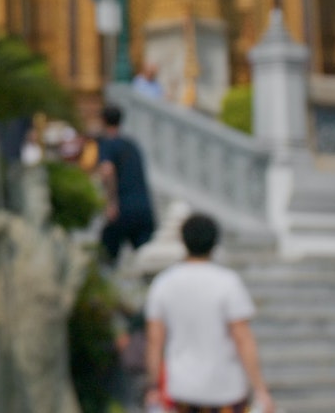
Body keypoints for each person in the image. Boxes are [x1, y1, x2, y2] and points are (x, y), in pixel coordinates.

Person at [144, 213, 273, 413]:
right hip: (225, 388)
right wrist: (260, 389)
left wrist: (152, 385)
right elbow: (242, 337)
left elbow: (155, 339)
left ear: (182, 240)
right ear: (215, 242)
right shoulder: (228, 282)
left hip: (182, 388)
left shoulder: (163, 283)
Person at [96, 104, 156, 266]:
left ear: (102, 121)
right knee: (147, 258)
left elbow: (107, 170)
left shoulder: (107, 144)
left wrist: (111, 203)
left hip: (123, 208)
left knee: (106, 255)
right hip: (144, 208)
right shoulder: (132, 145)